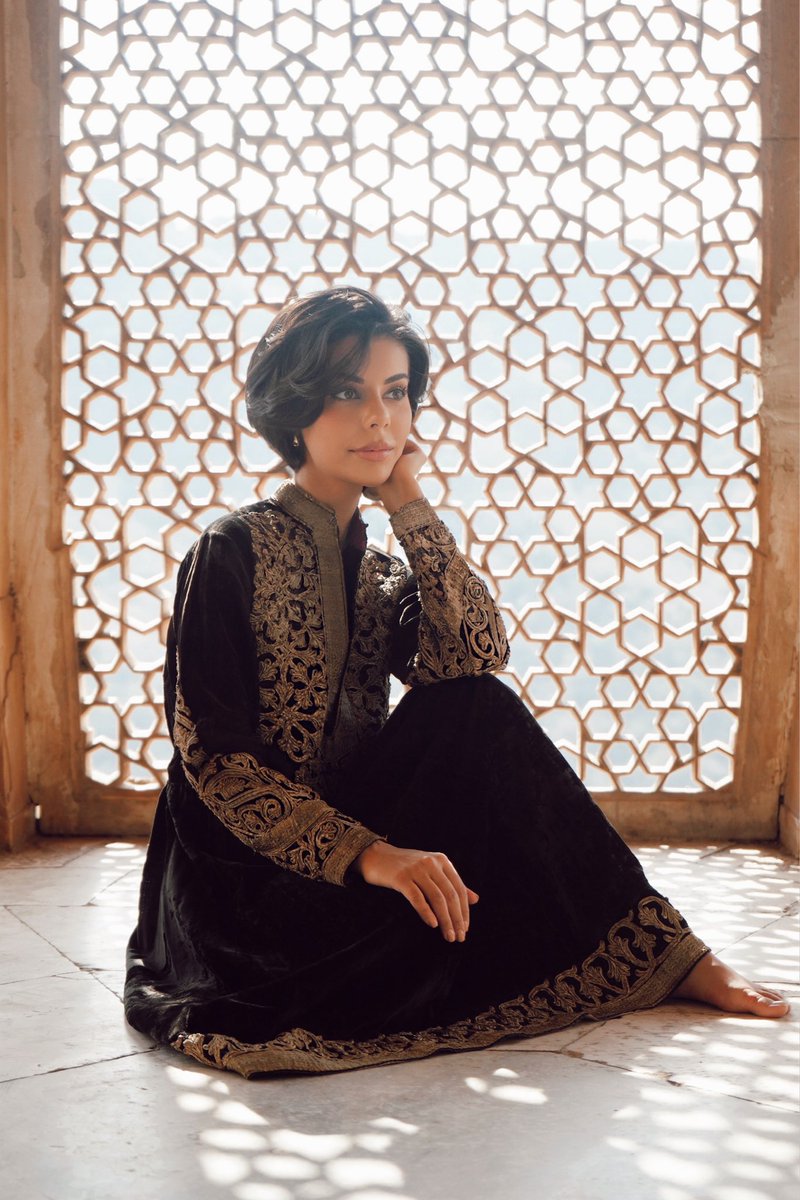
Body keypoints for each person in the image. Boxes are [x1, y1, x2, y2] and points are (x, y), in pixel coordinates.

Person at [124, 286, 789, 1079]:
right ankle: (650, 956)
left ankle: (670, 954)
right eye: (348, 392)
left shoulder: (378, 569)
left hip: (356, 838)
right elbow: (215, 764)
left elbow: (476, 654)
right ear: (294, 405)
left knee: (478, 706)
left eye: (396, 393)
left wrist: (407, 501)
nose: (380, 418)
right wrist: (373, 854)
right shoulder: (229, 550)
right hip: (239, 883)